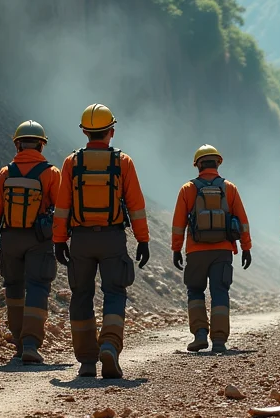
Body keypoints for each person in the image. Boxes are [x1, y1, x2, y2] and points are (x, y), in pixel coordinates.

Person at [52, 104, 151, 379]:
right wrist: (143, 240)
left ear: (84, 132)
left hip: (81, 240)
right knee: (115, 292)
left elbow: (62, 206)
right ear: (112, 131)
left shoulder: (72, 162)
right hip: (113, 238)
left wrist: (59, 240)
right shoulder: (123, 162)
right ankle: (109, 345)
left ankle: (86, 361)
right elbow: (136, 206)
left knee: (81, 295)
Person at [0, 120, 60, 365]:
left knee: (14, 289)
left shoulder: (5, 173)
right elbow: (62, 211)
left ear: (17, 145)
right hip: (39, 239)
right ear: (41, 145)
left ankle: (18, 344)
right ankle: (30, 344)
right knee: (37, 287)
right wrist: (62, 240)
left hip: (10, 238)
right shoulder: (51, 173)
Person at [171, 145, 252, 353]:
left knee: (195, 291)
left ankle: (199, 334)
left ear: (198, 165)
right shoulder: (230, 188)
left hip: (196, 252)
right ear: (217, 163)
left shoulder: (187, 189)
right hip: (223, 251)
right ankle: (219, 341)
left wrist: (176, 249)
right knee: (220, 292)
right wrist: (246, 248)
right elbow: (242, 221)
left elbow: (179, 223)